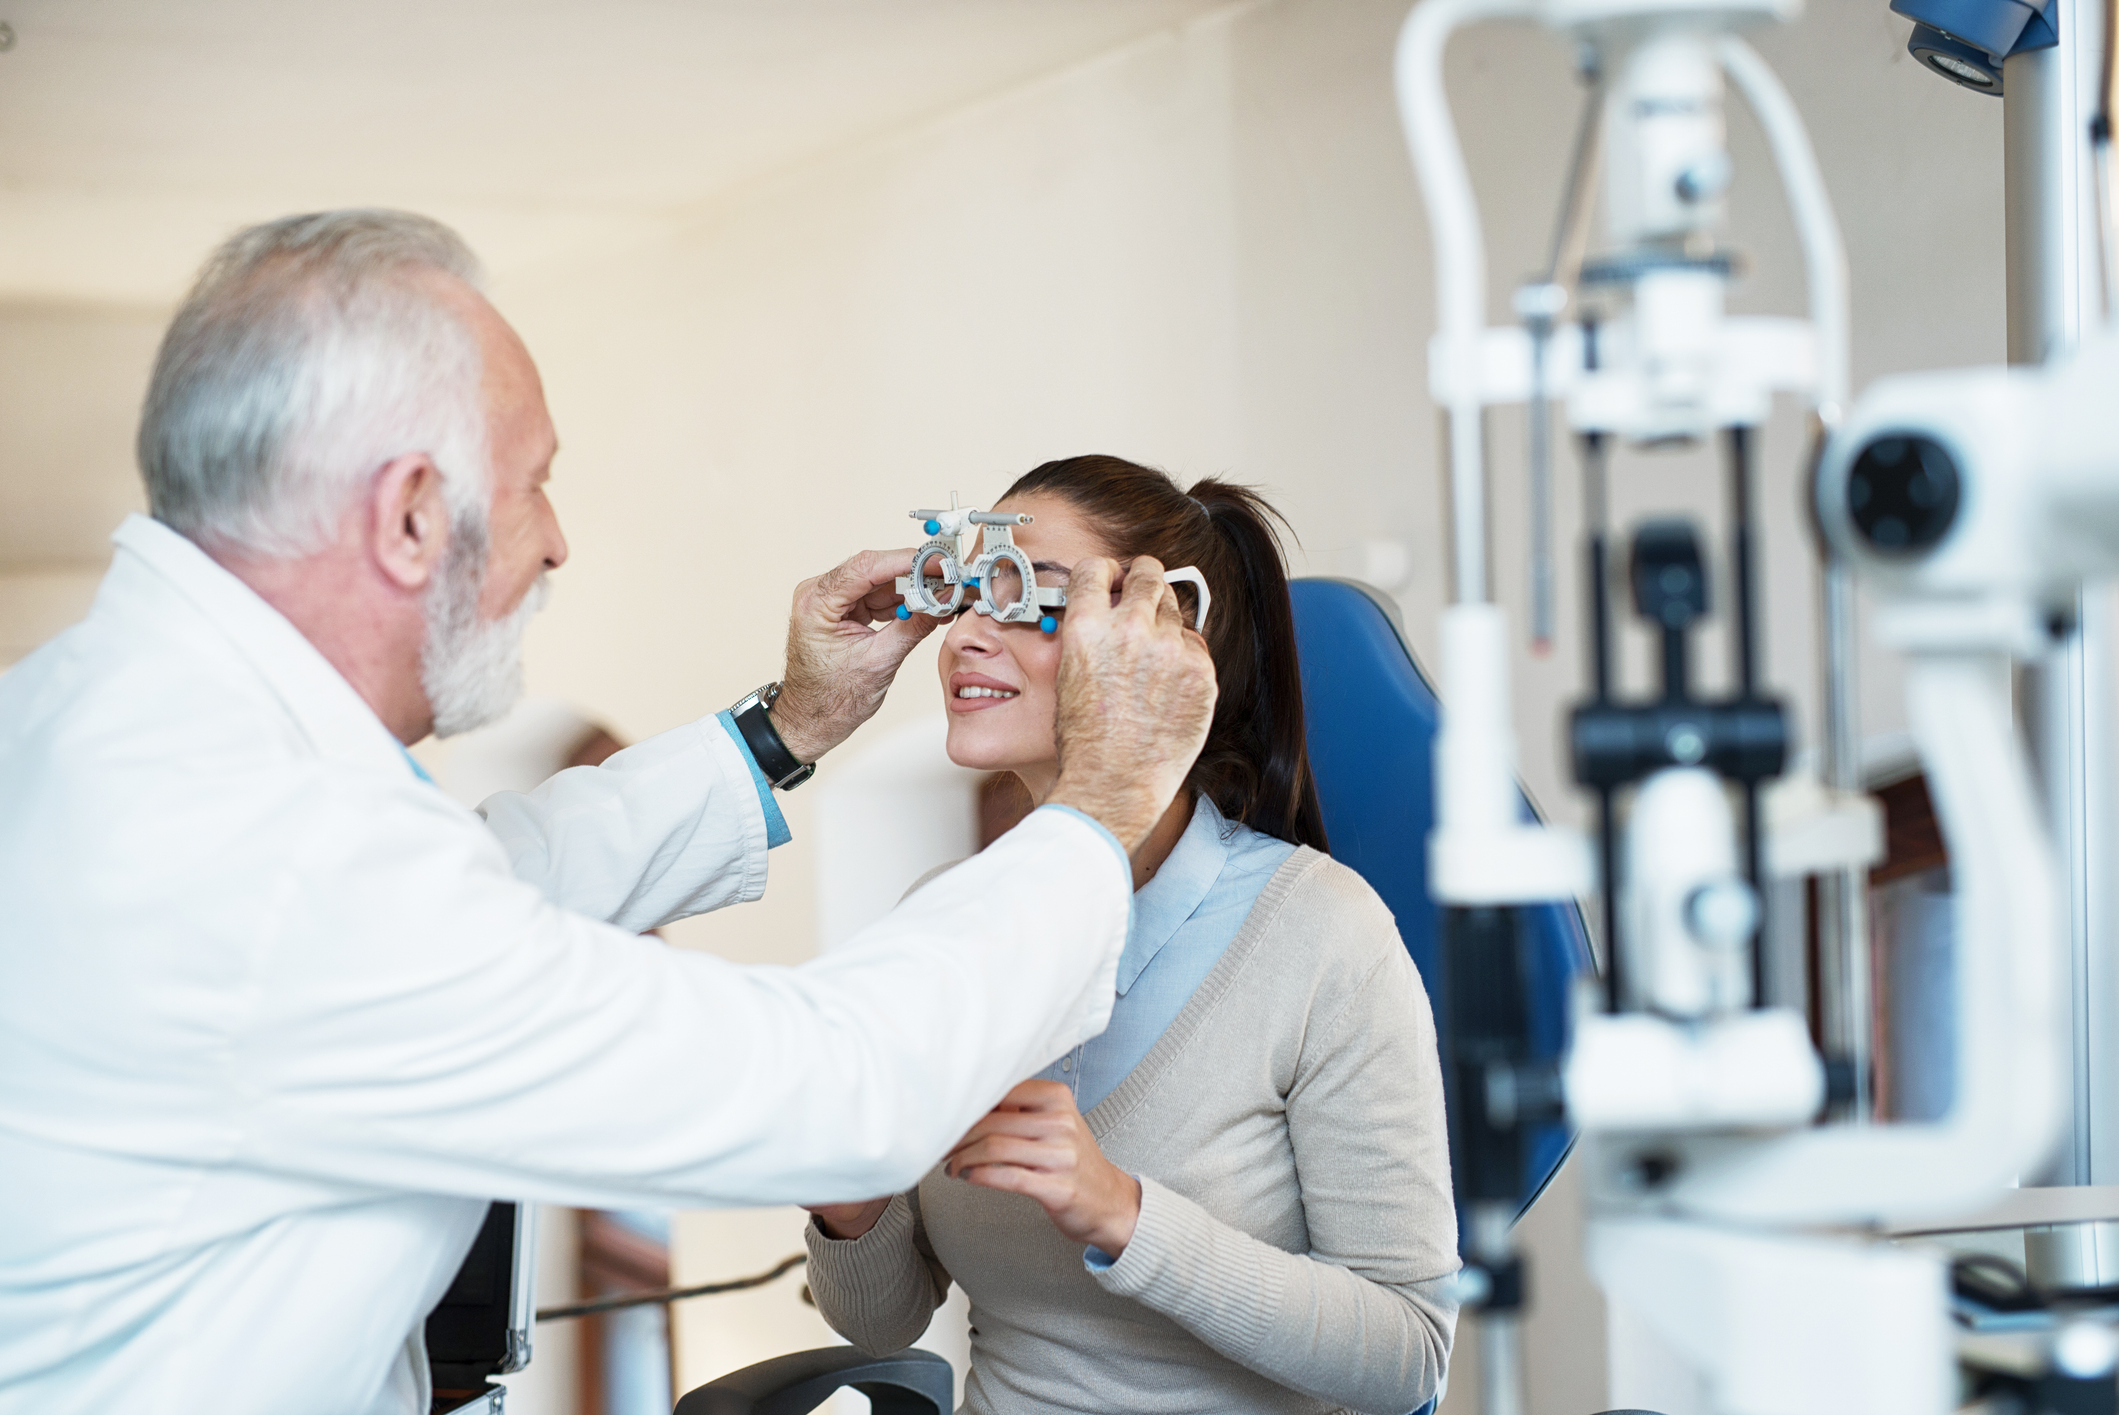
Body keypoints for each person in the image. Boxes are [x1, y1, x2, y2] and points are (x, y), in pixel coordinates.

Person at [0, 215, 1217, 1415]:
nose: (556, 542)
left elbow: (501, 875)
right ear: (412, 514)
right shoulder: (278, 859)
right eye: (533, 485)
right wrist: (1101, 807)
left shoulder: (103, 724)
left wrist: (782, 725)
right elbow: (839, 1093)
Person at [803, 456, 1458, 1415]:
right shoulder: (945, 913)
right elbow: (883, 1322)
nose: (968, 638)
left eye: (1031, 596)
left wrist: (1122, 1212)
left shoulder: (1324, 934)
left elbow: (1407, 1357)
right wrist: (847, 1201)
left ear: (1161, 638)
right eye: (971, 594)